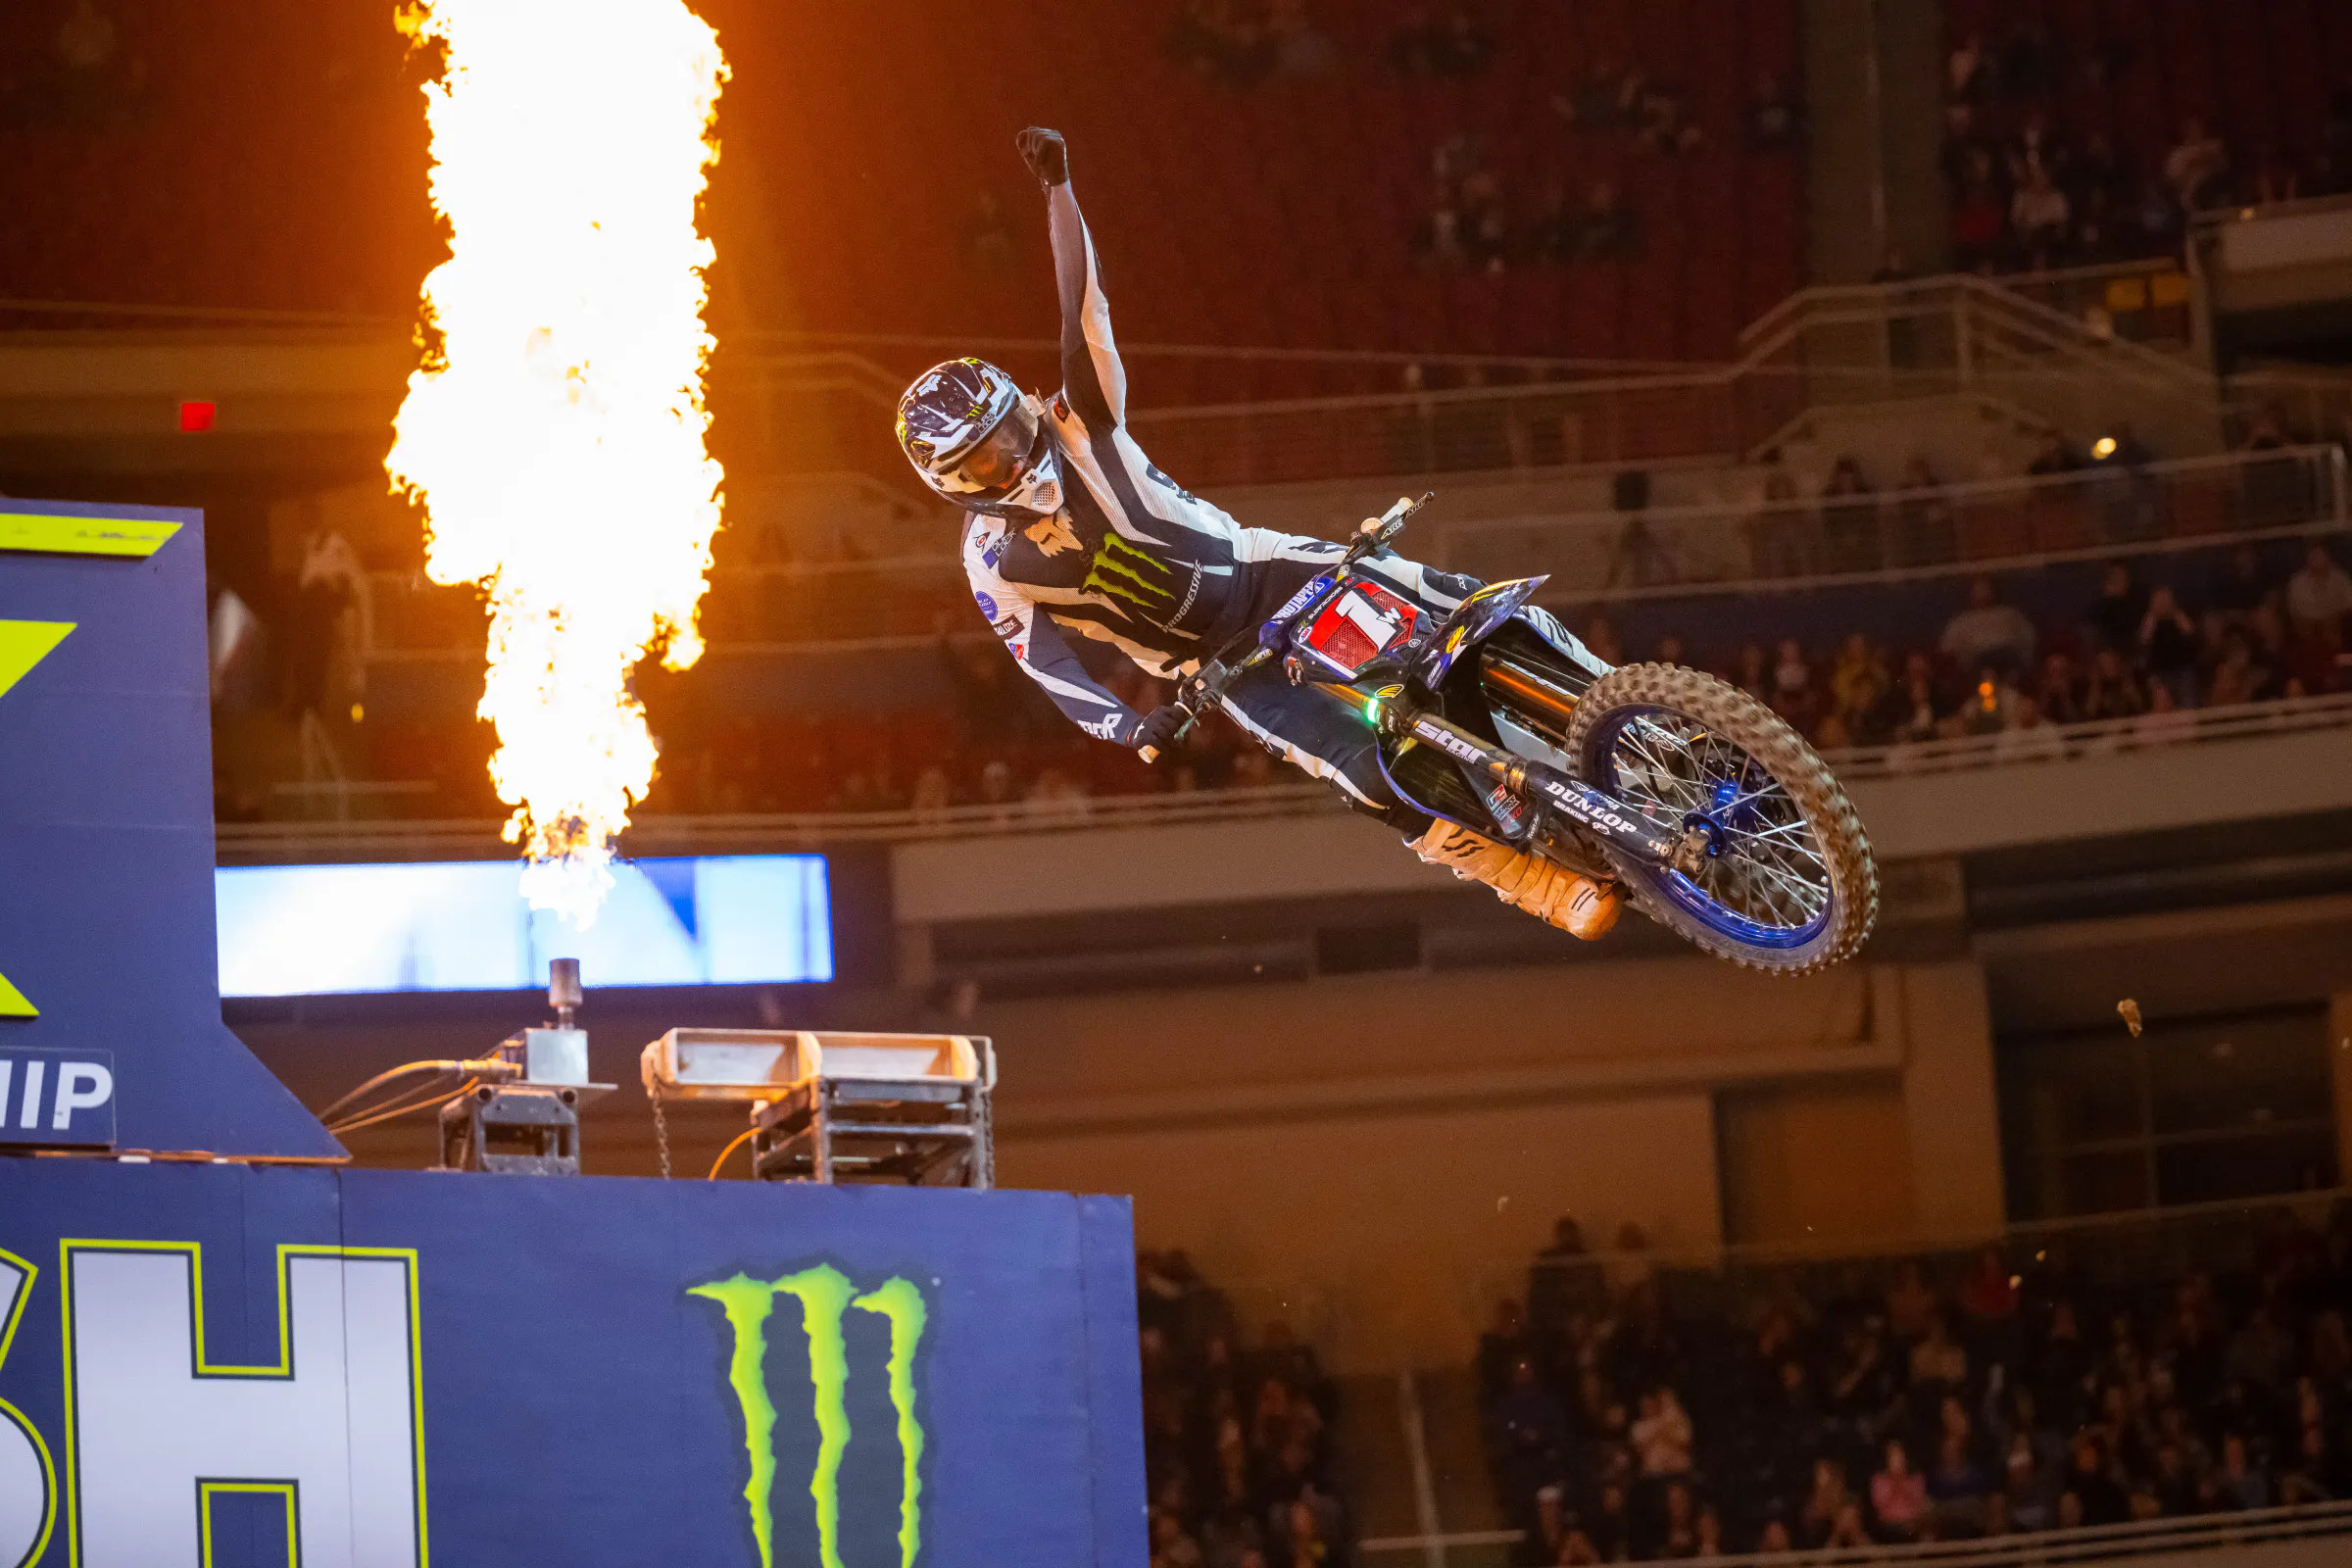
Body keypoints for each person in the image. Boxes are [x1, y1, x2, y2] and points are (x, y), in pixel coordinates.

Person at [896, 128, 1621, 938]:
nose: (1011, 453)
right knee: (1364, 771)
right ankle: (1527, 877)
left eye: (1007, 429)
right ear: (954, 481)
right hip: (1215, 668)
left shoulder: (1078, 418)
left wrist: (1058, 190)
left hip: (1267, 571)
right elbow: (1049, 667)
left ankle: (1624, 701)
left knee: (1469, 610)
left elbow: (1082, 307)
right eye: (986, 457)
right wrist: (1129, 725)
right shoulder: (992, 562)